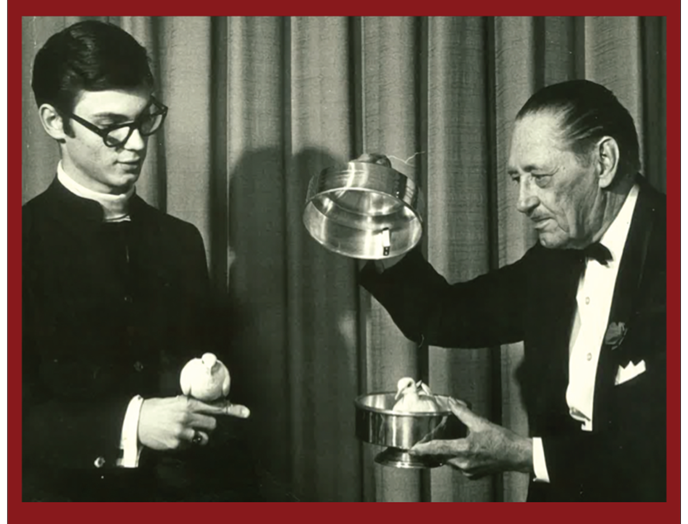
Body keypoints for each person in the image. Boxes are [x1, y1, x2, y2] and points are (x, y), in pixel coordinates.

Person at [359, 79, 666, 502]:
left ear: (604, 161)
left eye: (539, 177)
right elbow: (440, 314)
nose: (523, 201)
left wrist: (520, 454)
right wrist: (385, 225)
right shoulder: (554, 259)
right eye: (516, 178)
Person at [22, 20, 256, 502]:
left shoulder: (181, 240)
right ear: (53, 122)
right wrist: (133, 421)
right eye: (110, 127)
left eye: (145, 118)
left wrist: (210, 383)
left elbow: (201, 367)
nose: (136, 143)